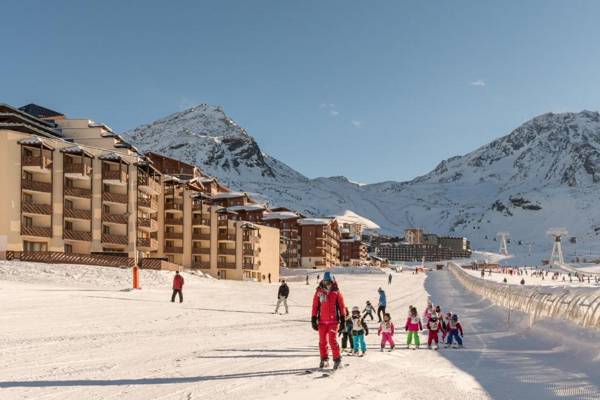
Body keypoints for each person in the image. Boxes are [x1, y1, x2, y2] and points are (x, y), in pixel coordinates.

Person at [311, 271, 346, 369]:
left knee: (332, 340)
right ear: (323, 281)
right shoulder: (319, 292)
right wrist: (313, 318)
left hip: (333, 322)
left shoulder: (336, 292)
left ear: (332, 281)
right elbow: (315, 306)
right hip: (322, 321)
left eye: (329, 282)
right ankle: (324, 359)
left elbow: (342, 307)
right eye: (326, 282)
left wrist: (343, 320)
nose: (327, 284)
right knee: (322, 342)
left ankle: (337, 360)